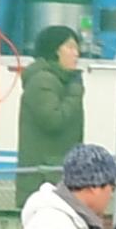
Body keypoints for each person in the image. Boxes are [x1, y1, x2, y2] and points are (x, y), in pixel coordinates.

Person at [15, 25, 88, 192]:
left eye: (77, 48)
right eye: (70, 47)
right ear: (54, 50)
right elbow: (53, 120)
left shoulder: (61, 80)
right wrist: (75, 91)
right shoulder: (43, 80)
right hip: (45, 180)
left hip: (56, 177)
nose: (76, 54)